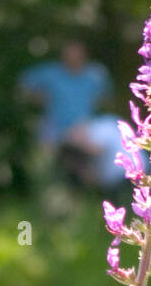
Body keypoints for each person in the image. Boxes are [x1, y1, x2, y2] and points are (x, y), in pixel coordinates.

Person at [19, 40, 127, 190]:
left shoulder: (95, 74)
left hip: (84, 130)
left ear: (84, 55)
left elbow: (106, 98)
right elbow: (24, 83)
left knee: (90, 162)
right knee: (47, 164)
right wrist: (38, 98)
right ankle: (48, 193)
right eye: (69, 53)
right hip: (54, 128)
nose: (72, 57)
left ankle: (96, 193)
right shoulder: (51, 73)